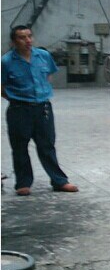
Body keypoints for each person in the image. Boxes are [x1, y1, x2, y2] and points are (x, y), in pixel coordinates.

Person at [1, 25, 78, 196]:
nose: (27, 40)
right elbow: (1, 86)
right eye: (22, 37)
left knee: (47, 146)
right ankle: (23, 183)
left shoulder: (43, 56)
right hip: (19, 109)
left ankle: (59, 181)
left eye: (29, 36)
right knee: (20, 147)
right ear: (14, 41)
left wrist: (41, 92)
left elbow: (48, 75)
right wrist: (17, 97)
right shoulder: (6, 61)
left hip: (43, 108)